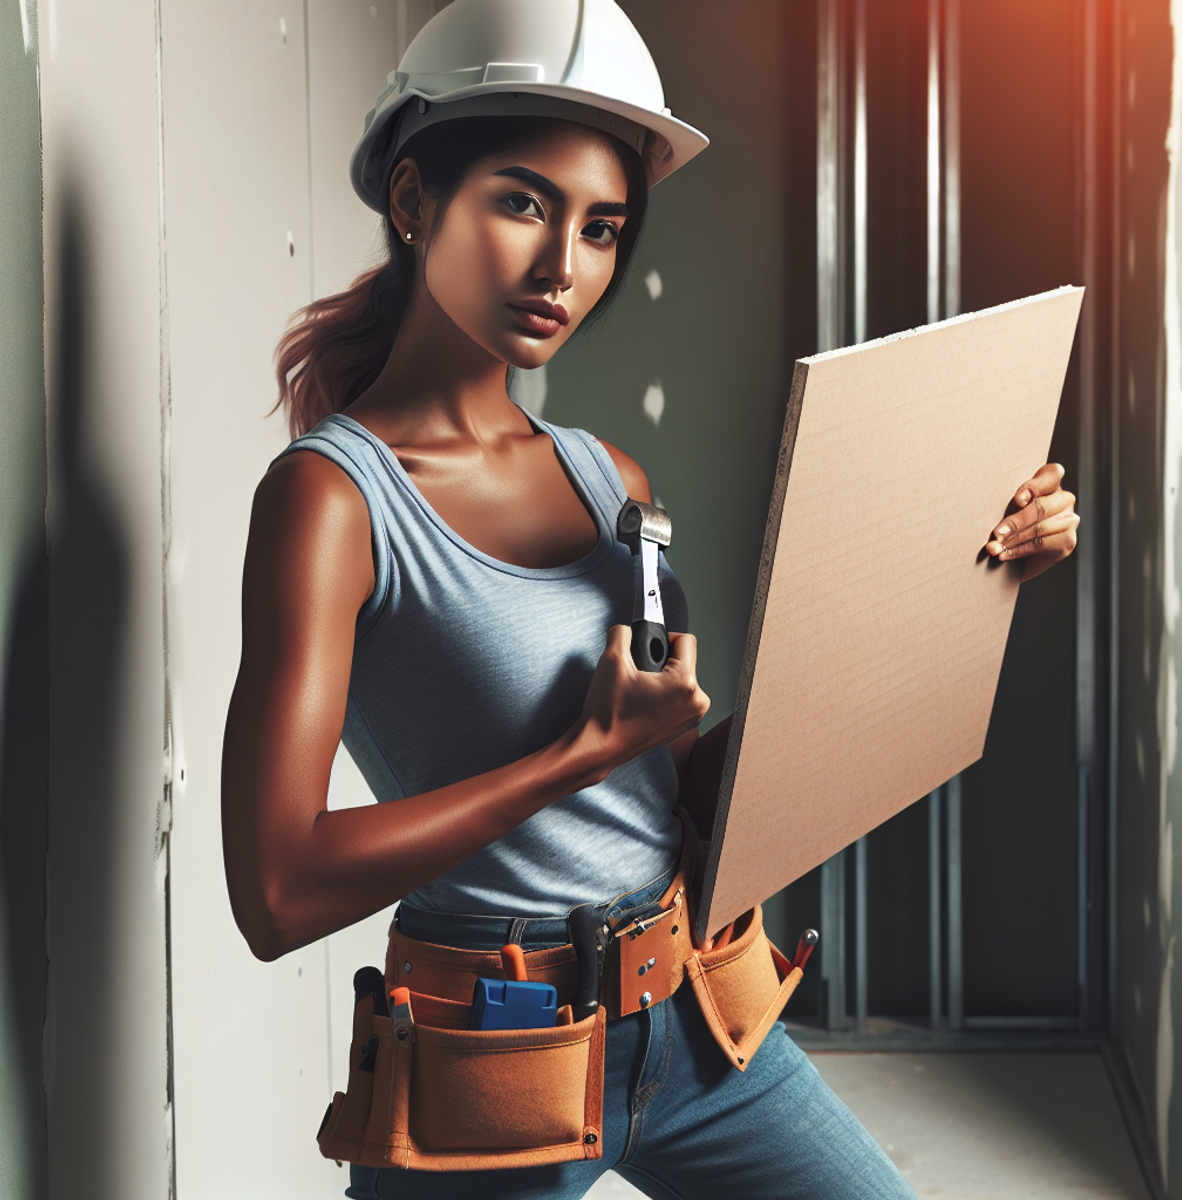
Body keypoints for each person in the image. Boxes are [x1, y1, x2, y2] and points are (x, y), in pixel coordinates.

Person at [221, 3, 1080, 1197]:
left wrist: (965, 584)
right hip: (495, 1053)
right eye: (522, 202)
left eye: (603, 227)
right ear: (415, 200)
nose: (561, 267)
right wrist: (571, 755)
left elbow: (670, 793)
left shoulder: (606, 476)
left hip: (698, 1012)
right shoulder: (331, 503)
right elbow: (273, 886)